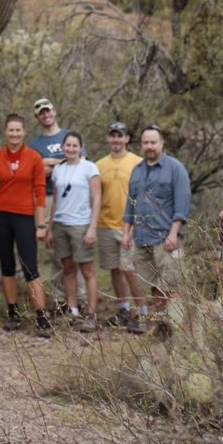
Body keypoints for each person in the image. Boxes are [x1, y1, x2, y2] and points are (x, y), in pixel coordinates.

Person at [0, 113, 52, 337]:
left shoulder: (33, 158)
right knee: (6, 266)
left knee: (30, 267)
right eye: (11, 130)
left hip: (24, 217)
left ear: (24, 132)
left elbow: (40, 193)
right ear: (5, 132)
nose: (14, 134)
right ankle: (13, 313)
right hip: (1, 217)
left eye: (18, 130)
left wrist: (41, 225)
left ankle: (41, 316)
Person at [122, 125, 191, 339]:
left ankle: (178, 327)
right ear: (141, 145)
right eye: (145, 143)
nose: (149, 146)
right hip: (142, 237)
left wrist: (173, 233)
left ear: (162, 143)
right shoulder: (137, 170)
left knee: (171, 284)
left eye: (153, 142)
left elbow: (182, 204)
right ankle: (162, 325)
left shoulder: (175, 168)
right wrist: (126, 232)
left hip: (166, 238)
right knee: (153, 285)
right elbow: (130, 203)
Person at [30, 97, 84, 309]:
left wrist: (48, 162)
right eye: (41, 112)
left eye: (48, 110)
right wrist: (61, 161)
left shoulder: (68, 136)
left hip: (72, 198)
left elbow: (79, 164)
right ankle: (61, 300)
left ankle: (79, 298)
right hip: (48, 197)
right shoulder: (34, 145)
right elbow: (37, 173)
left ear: (54, 111)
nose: (46, 115)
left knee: (76, 250)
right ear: (37, 117)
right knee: (54, 251)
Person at [46, 131, 101, 331]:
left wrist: (92, 228)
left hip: (81, 224)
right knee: (68, 268)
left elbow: (96, 199)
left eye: (74, 146)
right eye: (67, 145)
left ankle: (92, 313)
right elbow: (55, 201)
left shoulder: (89, 168)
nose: (70, 149)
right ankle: (72, 309)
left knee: (87, 271)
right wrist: (50, 229)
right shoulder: (58, 170)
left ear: (80, 147)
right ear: (63, 147)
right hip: (60, 223)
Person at [95, 122, 146, 329]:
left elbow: (143, 195)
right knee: (115, 269)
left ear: (127, 139)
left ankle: (143, 312)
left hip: (129, 225)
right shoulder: (99, 165)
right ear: (108, 139)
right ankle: (123, 309)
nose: (116, 140)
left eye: (120, 136)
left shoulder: (137, 162)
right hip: (105, 224)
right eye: (113, 136)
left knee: (130, 270)